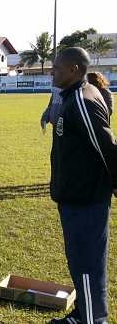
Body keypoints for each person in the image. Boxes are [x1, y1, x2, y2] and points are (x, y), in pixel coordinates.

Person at [49, 47, 114, 324]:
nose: (52, 71)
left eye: (58, 67)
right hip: (74, 195)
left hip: (86, 198)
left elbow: (106, 147)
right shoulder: (70, 97)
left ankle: (92, 318)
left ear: (74, 69)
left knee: (87, 262)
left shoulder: (82, 100)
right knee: (79, 259)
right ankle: (84, 313)